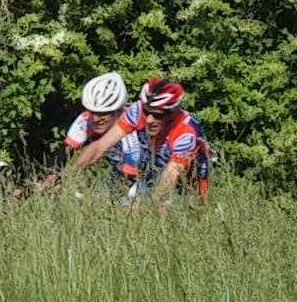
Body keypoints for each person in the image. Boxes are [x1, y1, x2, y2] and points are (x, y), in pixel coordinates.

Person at [108, 75, 211, 205]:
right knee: (128, 203)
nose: (149, 120)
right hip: (158, 168)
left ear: (172, 114)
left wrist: (149, 208)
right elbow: (103, 144)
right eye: (146, 112)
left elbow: (172, 174)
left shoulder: (186, 132)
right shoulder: (138, 112)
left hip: (187, 183)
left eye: (157, 115)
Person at [53, 70, 134, 192]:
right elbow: (62, 154)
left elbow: (132, 173)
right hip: (121, 167)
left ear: (119, 111)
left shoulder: (132, 129)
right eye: (93, 112)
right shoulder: (86, 119)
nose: (96, 119)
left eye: (103, 114)